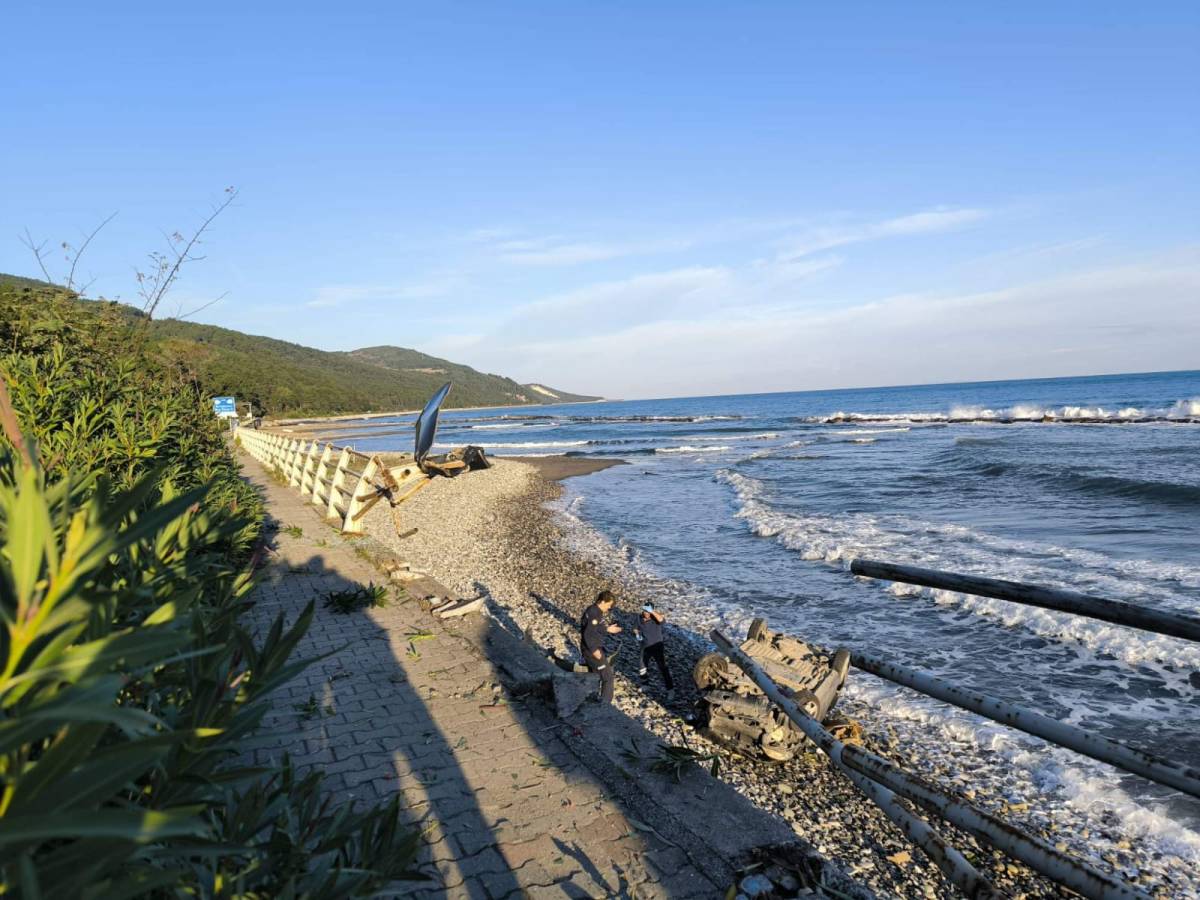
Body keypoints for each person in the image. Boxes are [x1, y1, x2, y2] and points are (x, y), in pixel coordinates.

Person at [580, 589, 622, 703]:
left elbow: (596, 627)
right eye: (609, 605)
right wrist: (594, 650)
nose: (609, 608)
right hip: (592, 650)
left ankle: (591, 697)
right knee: (607, 677)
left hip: (591, 648)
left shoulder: (595, 610)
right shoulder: (594, 613)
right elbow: (588, 633)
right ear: (602, 601)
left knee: (595, 674)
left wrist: (608, 629)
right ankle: (605, 704)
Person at [636, 604, 675, 697]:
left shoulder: (655, 618)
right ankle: (645, 685)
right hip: (645, 646)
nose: (646, 613)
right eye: (645, 611)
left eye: (648, 611)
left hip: (657, 646)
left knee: (663, 667)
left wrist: (652, 611)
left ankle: (670, 689)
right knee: (642, 666)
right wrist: (637, 634)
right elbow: (635, 628)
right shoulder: (639, 618)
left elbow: (662, 621)